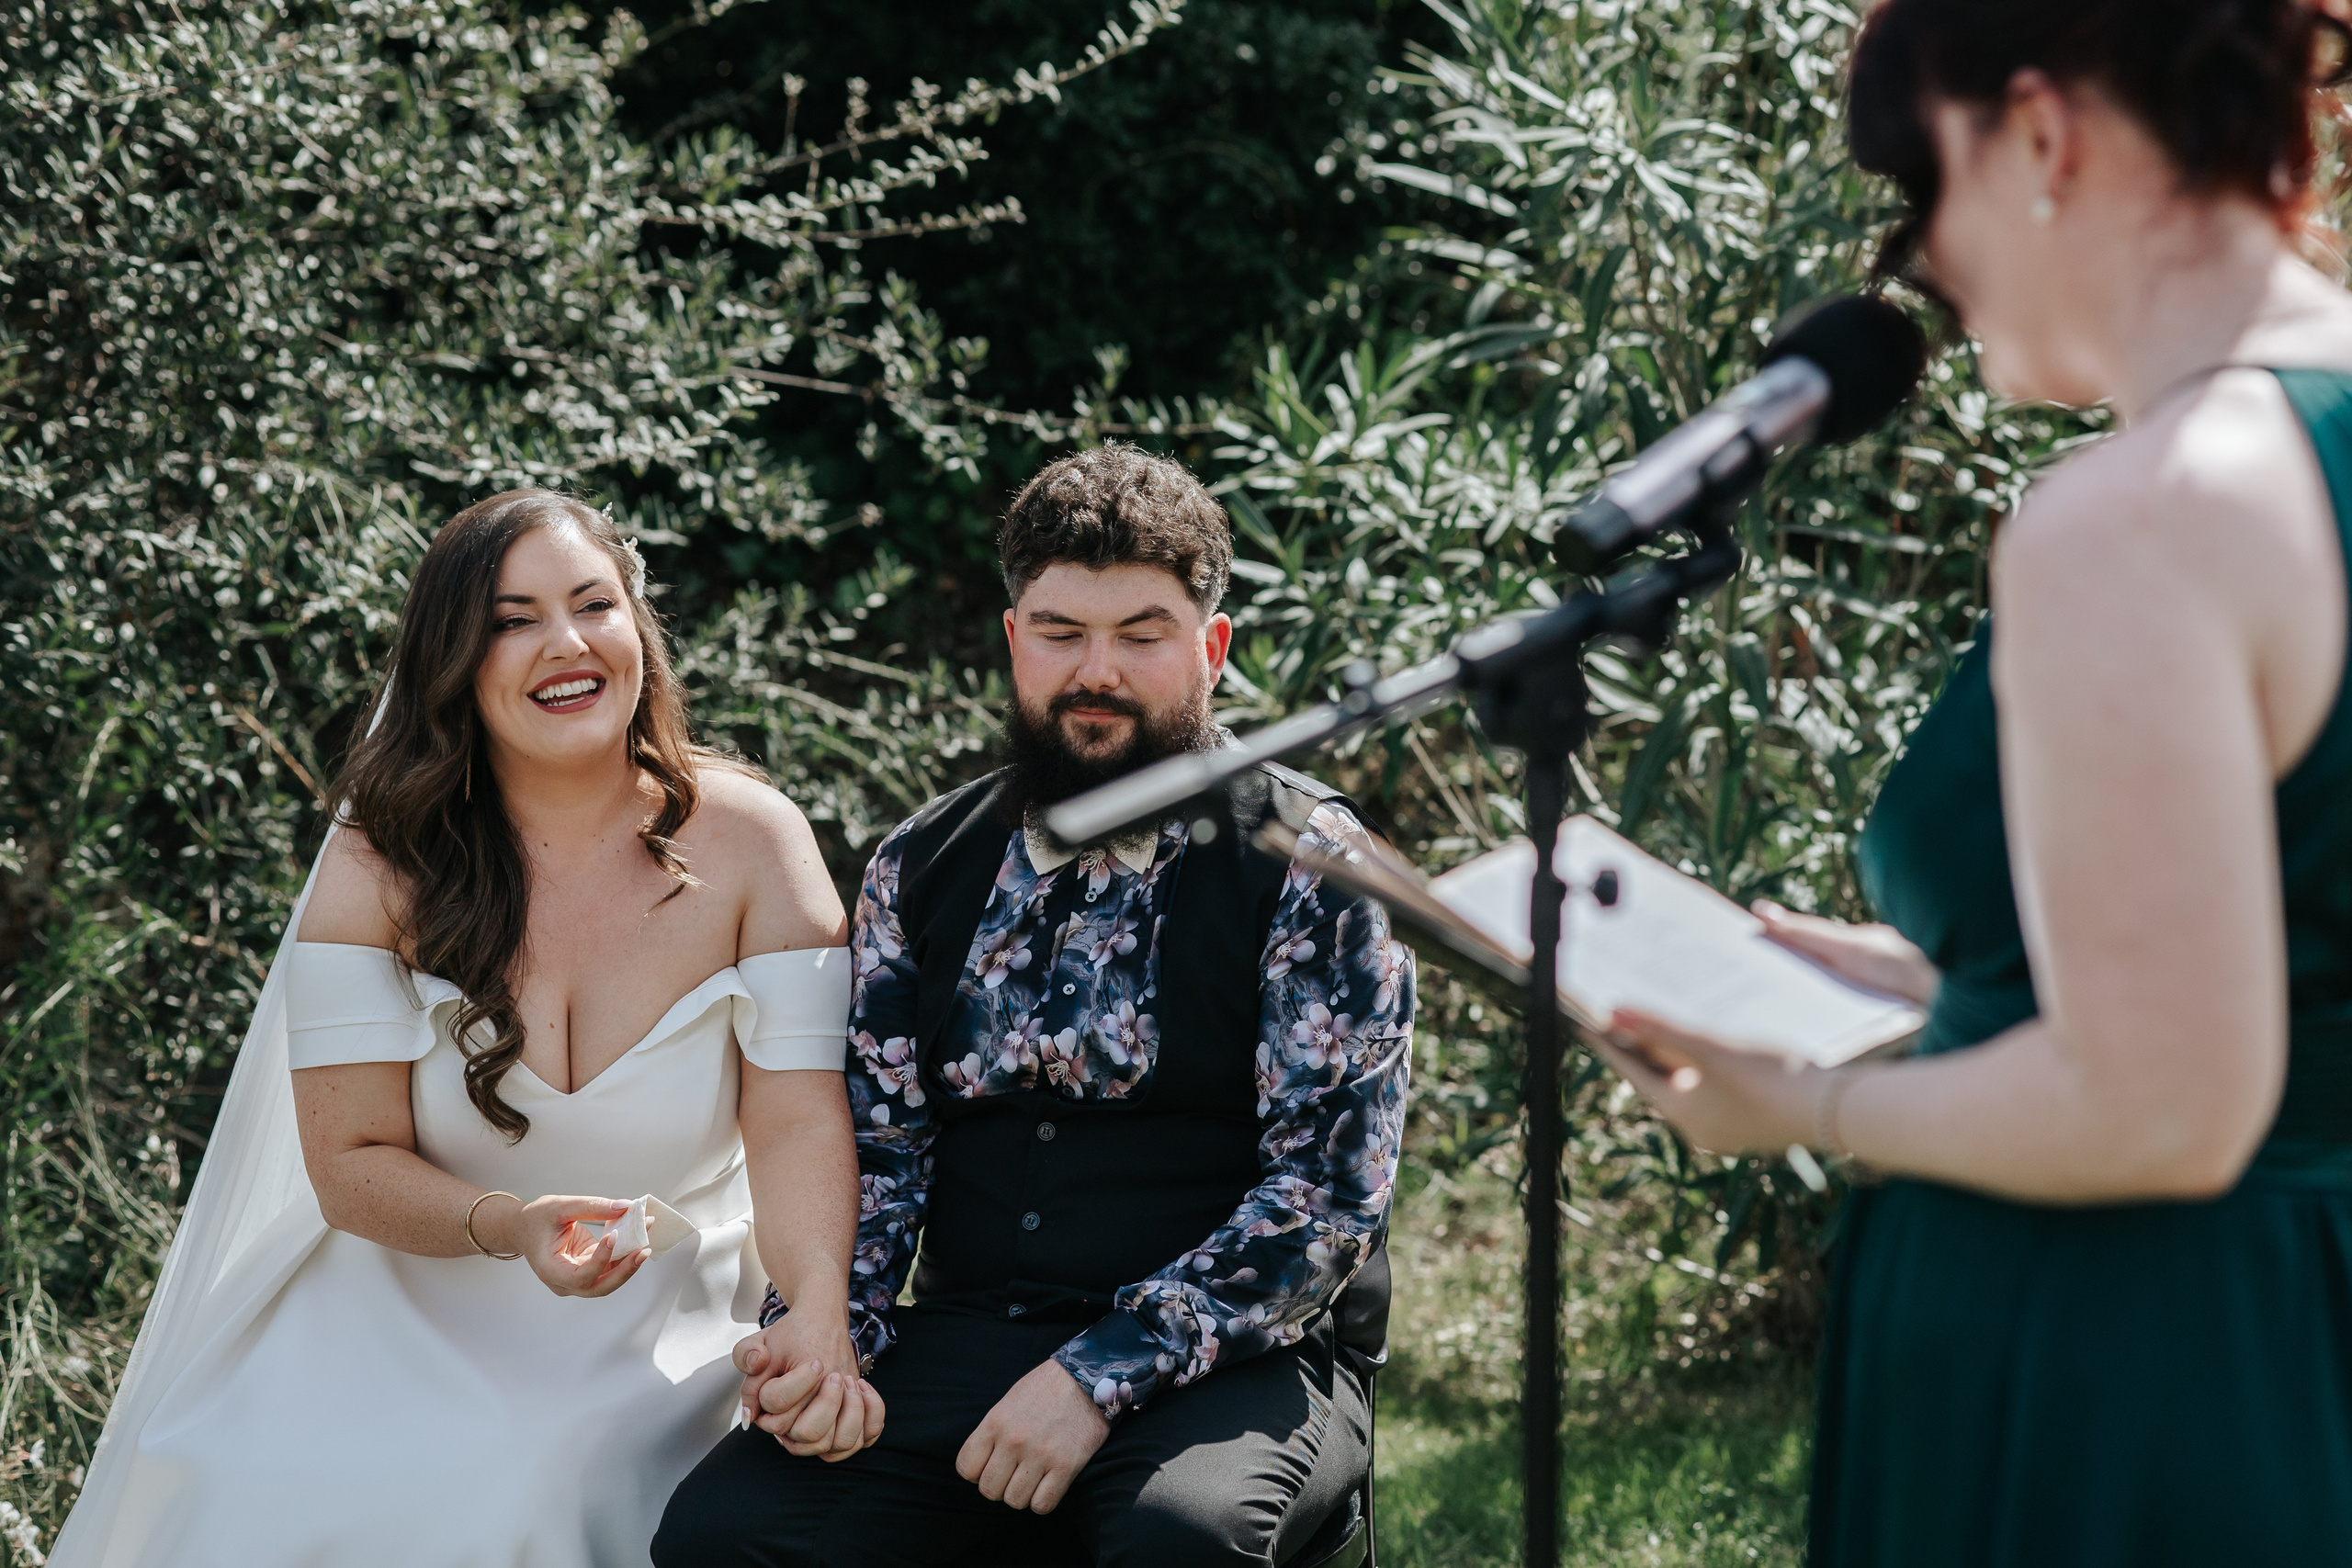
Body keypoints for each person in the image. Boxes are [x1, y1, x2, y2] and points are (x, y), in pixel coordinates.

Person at [1593, 3, 2352, 1563]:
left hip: (2130, 1373)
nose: (1911, 264)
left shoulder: (2141, 513)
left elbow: (2166, 1109)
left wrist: (1801, 1099)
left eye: (1918, 186)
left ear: (2043, 133)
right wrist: (1956, 975)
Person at [51, 489, 876, 1566]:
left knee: (539, 1479)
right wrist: (514, 1225)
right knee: (267, 1484)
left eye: (594, 604)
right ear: (453, 662)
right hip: (404, 1292)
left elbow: (796, 1123)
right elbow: (348, 1161)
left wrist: (816, 1309)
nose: (566, 644)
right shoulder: (379, 863)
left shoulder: (755, 845)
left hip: (656, 1313)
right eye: (512, 618)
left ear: (640, 627)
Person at [655, 446, 1416, 1567]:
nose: (1094, 670)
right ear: (1014, 641)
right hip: (967, 1335)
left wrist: (1092, 1378)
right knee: (726, 1535)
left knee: (1177, 1544)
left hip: (1241, 1359)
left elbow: (1324, 1205)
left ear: (1211, 650)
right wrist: (828, 1344)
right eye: (1061, 632)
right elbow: (879, 1149)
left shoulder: (1316, 864)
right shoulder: (919, 863)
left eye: (1141, 634)